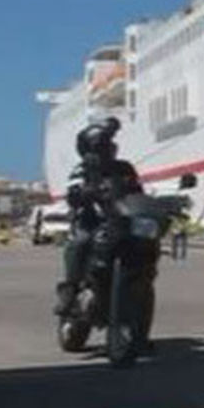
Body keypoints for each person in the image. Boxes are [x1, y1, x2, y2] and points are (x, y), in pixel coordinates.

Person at [55, 118, 143, 315]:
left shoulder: (124, 168)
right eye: (103, 145)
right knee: (80, 241)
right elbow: (73, 192)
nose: (109, 148)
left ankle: (139, 309)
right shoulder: (82, 168)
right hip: (91, 221)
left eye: (110, 144)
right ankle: (70, 289)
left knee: (142, 245)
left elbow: (138, 192)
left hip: (120, 220)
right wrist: (84, 193)